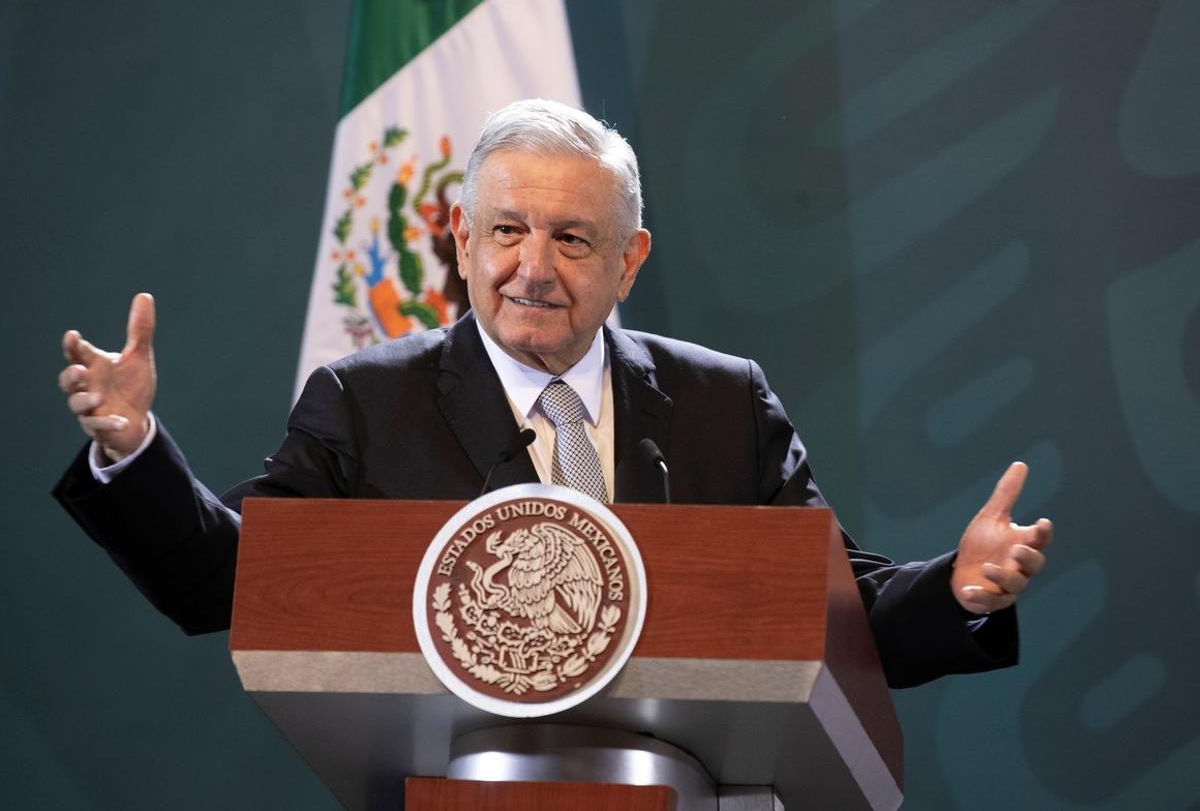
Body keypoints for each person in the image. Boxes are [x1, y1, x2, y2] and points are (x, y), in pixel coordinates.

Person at [54, 99, 1052, 688]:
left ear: (630, 260)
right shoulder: (365, 401)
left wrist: (955, 590)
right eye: (506, 231)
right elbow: (230, 583)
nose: (532, 267)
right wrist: (134, 447)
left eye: (572, 239)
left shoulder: (723, 403)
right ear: (462, 241)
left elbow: (829, 606)